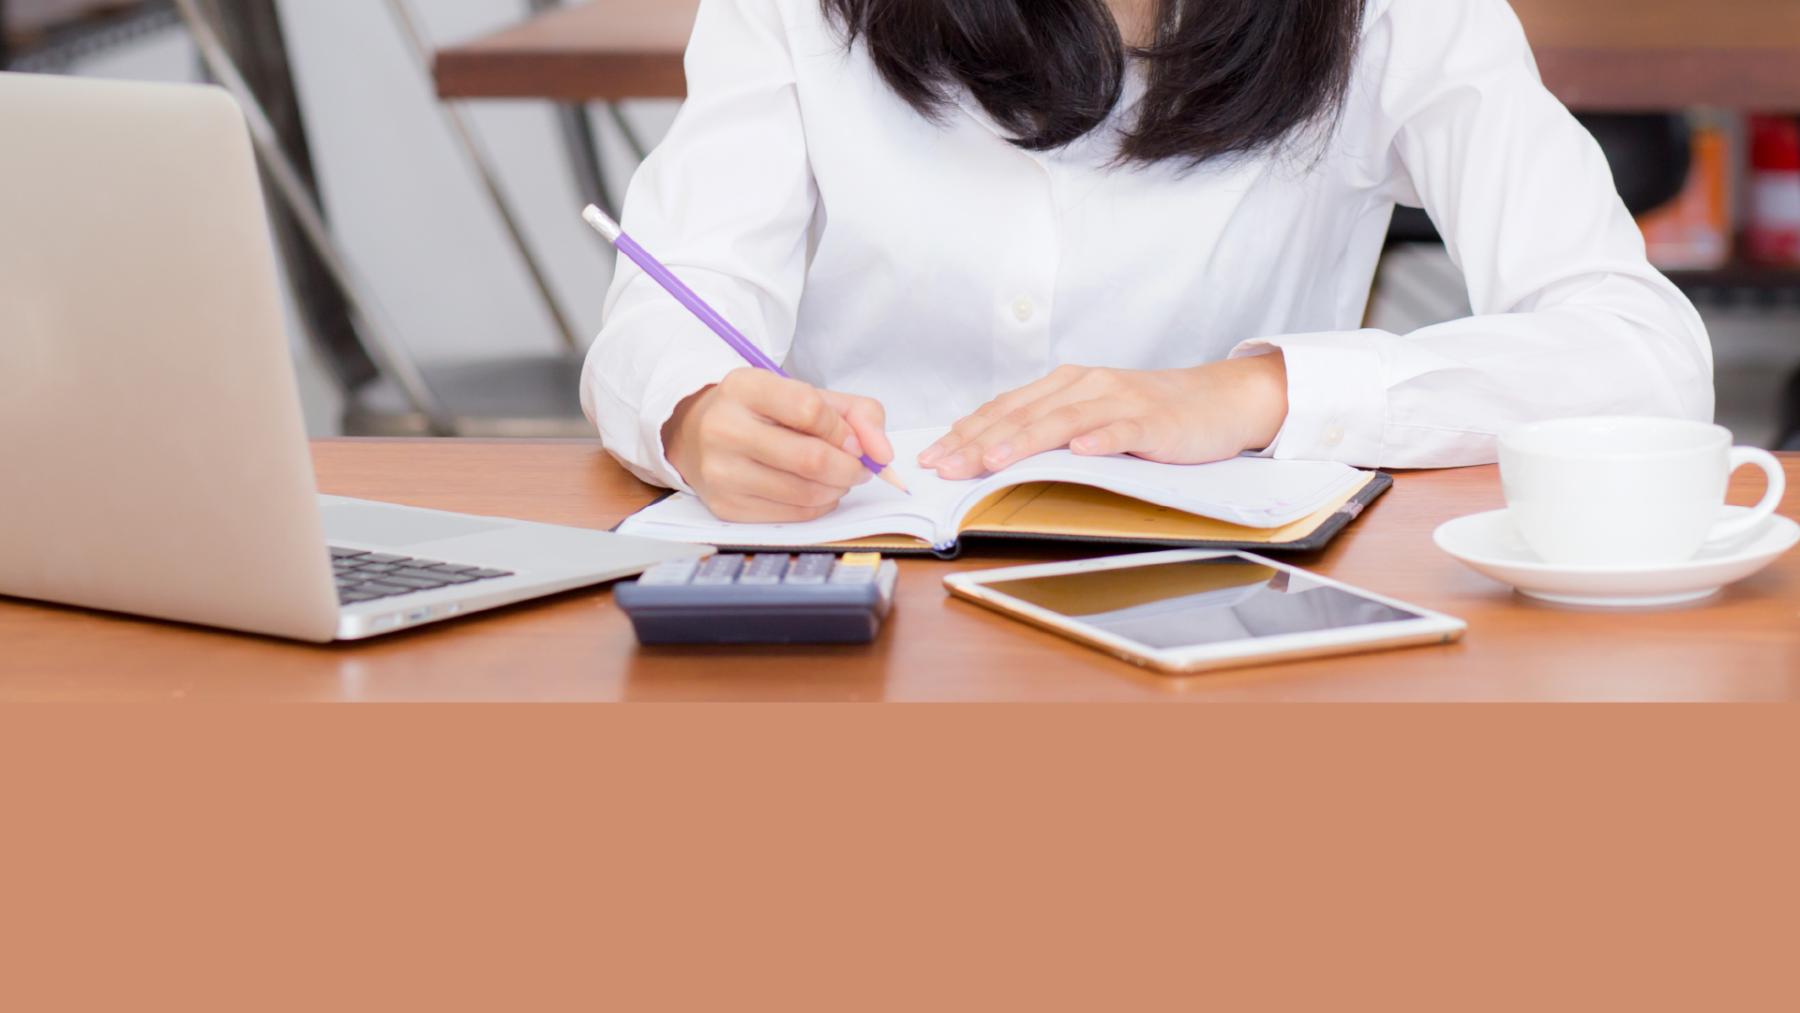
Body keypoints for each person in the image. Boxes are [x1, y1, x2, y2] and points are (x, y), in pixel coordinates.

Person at [581, 0, 1713, 523]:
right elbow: (667, 310)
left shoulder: (1390, 17)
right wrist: (693, 409)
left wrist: (1259, 390)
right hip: (856, 601)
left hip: (1226, 628)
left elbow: (1639, 353)